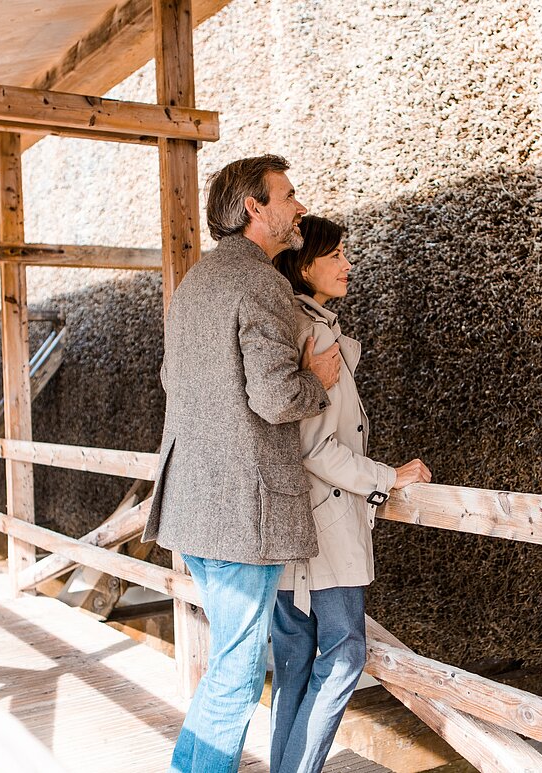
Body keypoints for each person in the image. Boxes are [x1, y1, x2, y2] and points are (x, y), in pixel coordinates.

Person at [143, 156, 344, 773]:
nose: (299, 207)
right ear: (255, 208)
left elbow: (170, 380)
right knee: (233, 674)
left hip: (192, 504)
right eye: (288, 196)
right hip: (242, 511)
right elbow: (277, 397)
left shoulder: (196, 282)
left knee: (227, 663)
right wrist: (315, 380)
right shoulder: (262, 284)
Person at [269, 215, 431, 773]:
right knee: (344, 656)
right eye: (334, 255)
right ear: (303, 263)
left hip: (287, 529)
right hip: (323, 531)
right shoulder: (310, 332)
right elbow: (315, 447)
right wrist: (388, 477)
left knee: (293, 660)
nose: (347, 264)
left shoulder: (286, 324)